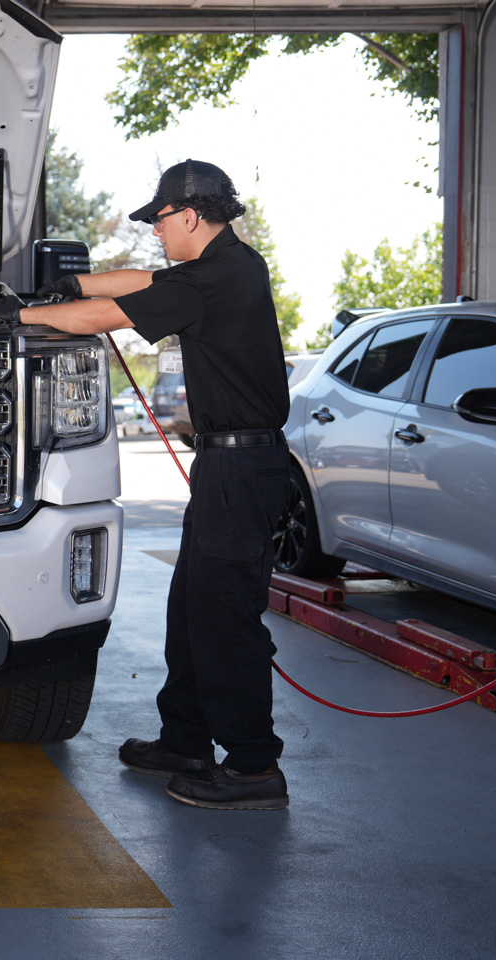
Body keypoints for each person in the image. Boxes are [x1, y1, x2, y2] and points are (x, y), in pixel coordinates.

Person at [19, 160, 292, 810]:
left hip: (240, 470)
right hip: (226, 468)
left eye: (161, 220)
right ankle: (187, 741)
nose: (156, 233)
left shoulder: (217, 278)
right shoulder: (222, 268)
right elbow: (140, 280)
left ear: (191, 215)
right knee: (190, 610)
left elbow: (107, 314)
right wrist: (69, 281)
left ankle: (254, 768)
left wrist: (23, 314)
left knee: (225, 617)